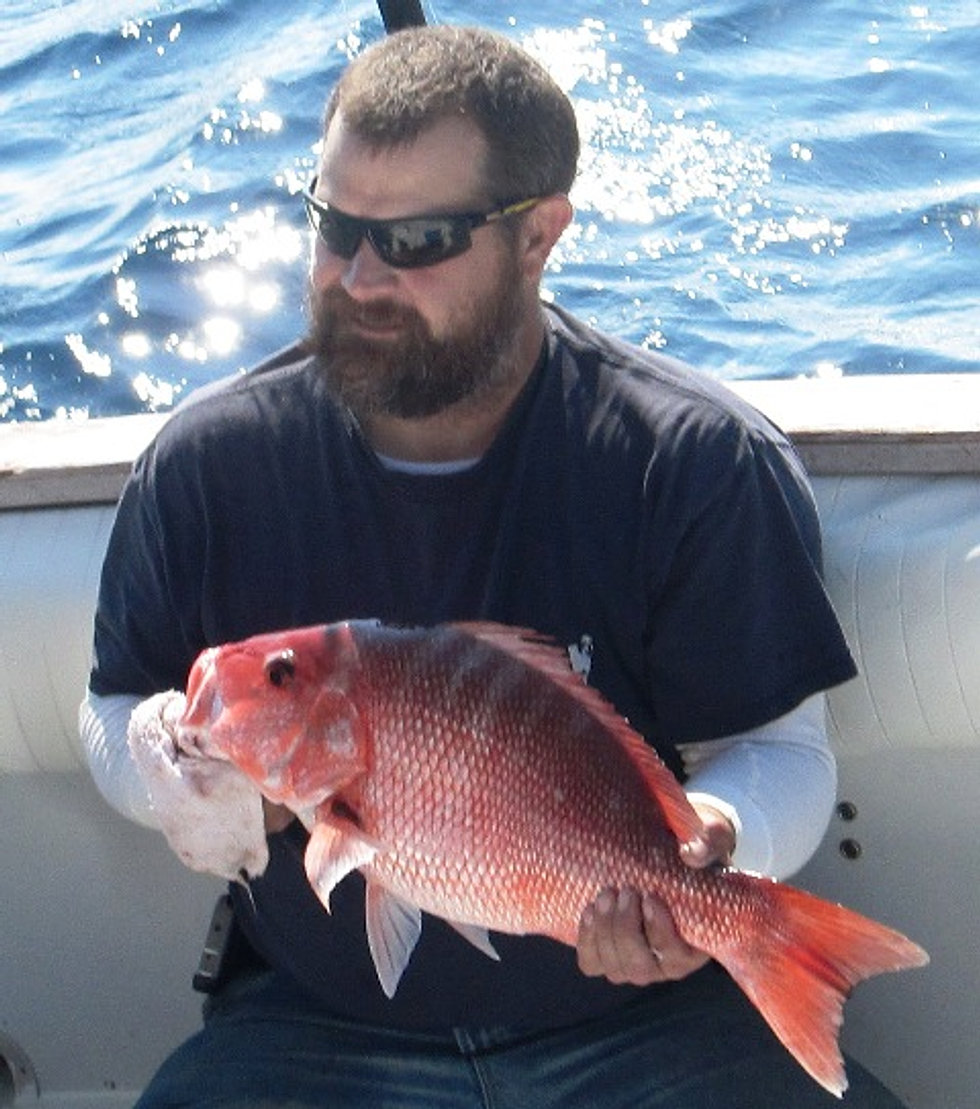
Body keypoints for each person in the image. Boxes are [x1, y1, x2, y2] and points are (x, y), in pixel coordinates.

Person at [80, 24, 908, 1109]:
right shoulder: (207, 464)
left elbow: (781, 752)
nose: (358, 277)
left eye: (417, 239)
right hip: (315, 1026)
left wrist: (708, 844)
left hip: (642, 1020)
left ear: (537, 235)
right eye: (335, 226)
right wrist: (168, 764)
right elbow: (114, 704)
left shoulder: (688, 460)